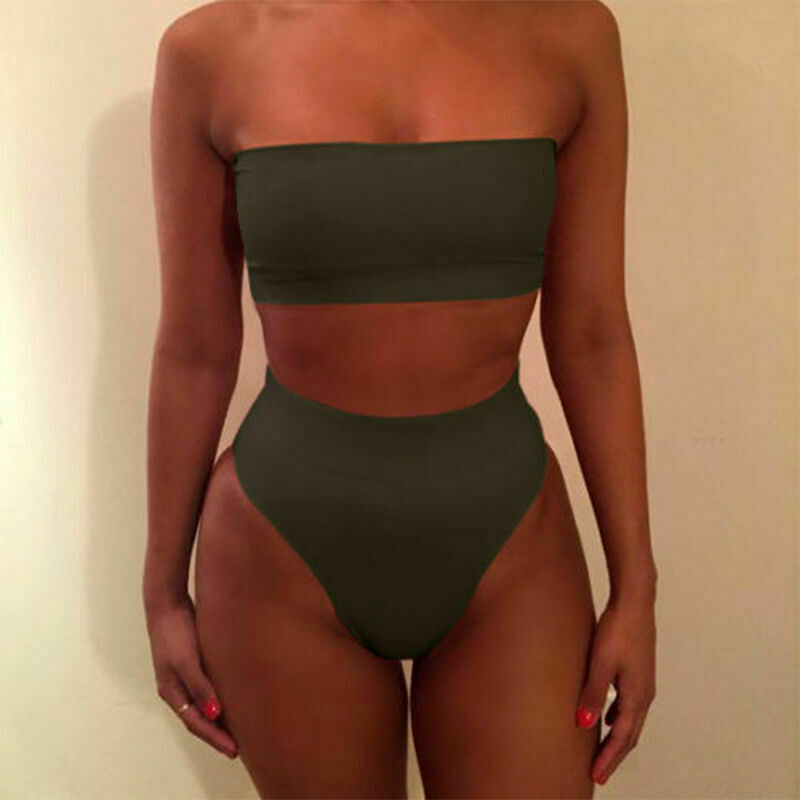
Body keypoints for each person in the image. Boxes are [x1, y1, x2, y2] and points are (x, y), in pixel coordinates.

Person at [143, 1, 657, 797]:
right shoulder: (210, 51)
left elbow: (592, 335)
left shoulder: (571, 35)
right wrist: (161, 593)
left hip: (510, 547)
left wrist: (636, 588)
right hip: (282, 546)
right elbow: (195, 351)